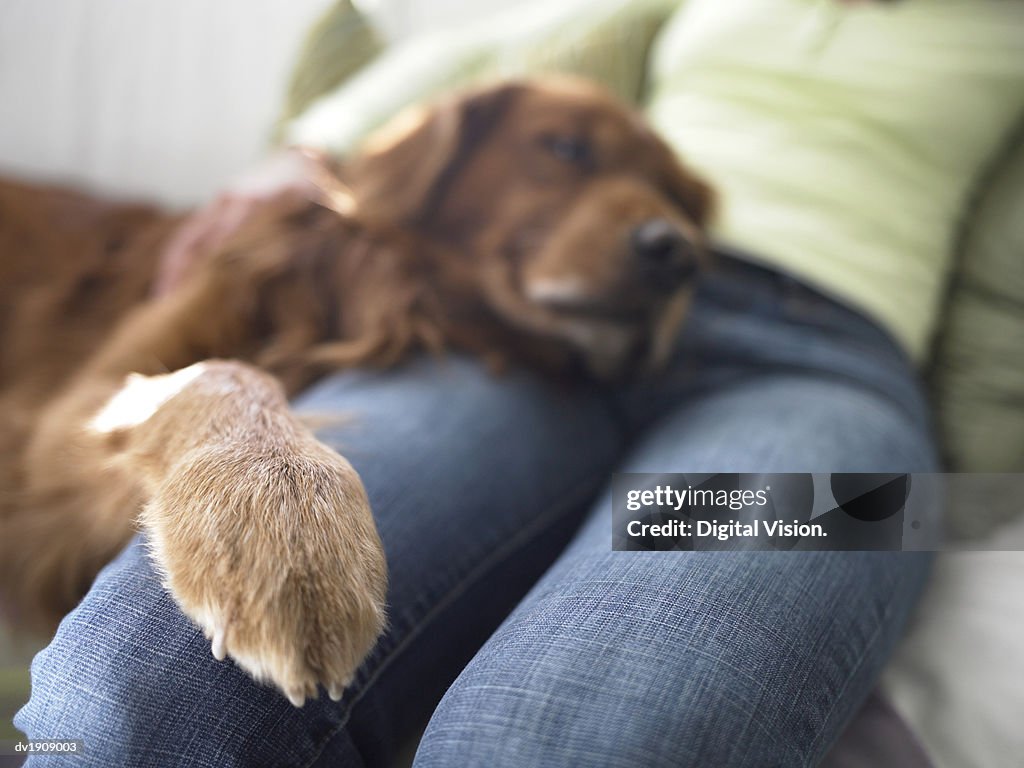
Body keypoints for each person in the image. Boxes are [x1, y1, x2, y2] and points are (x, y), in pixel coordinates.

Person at [15, 1, 1024, 766]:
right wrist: (302, 152)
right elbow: (467, 63)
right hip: (517, 347)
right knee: (145, 690)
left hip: (817, 375)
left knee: (568, 734)